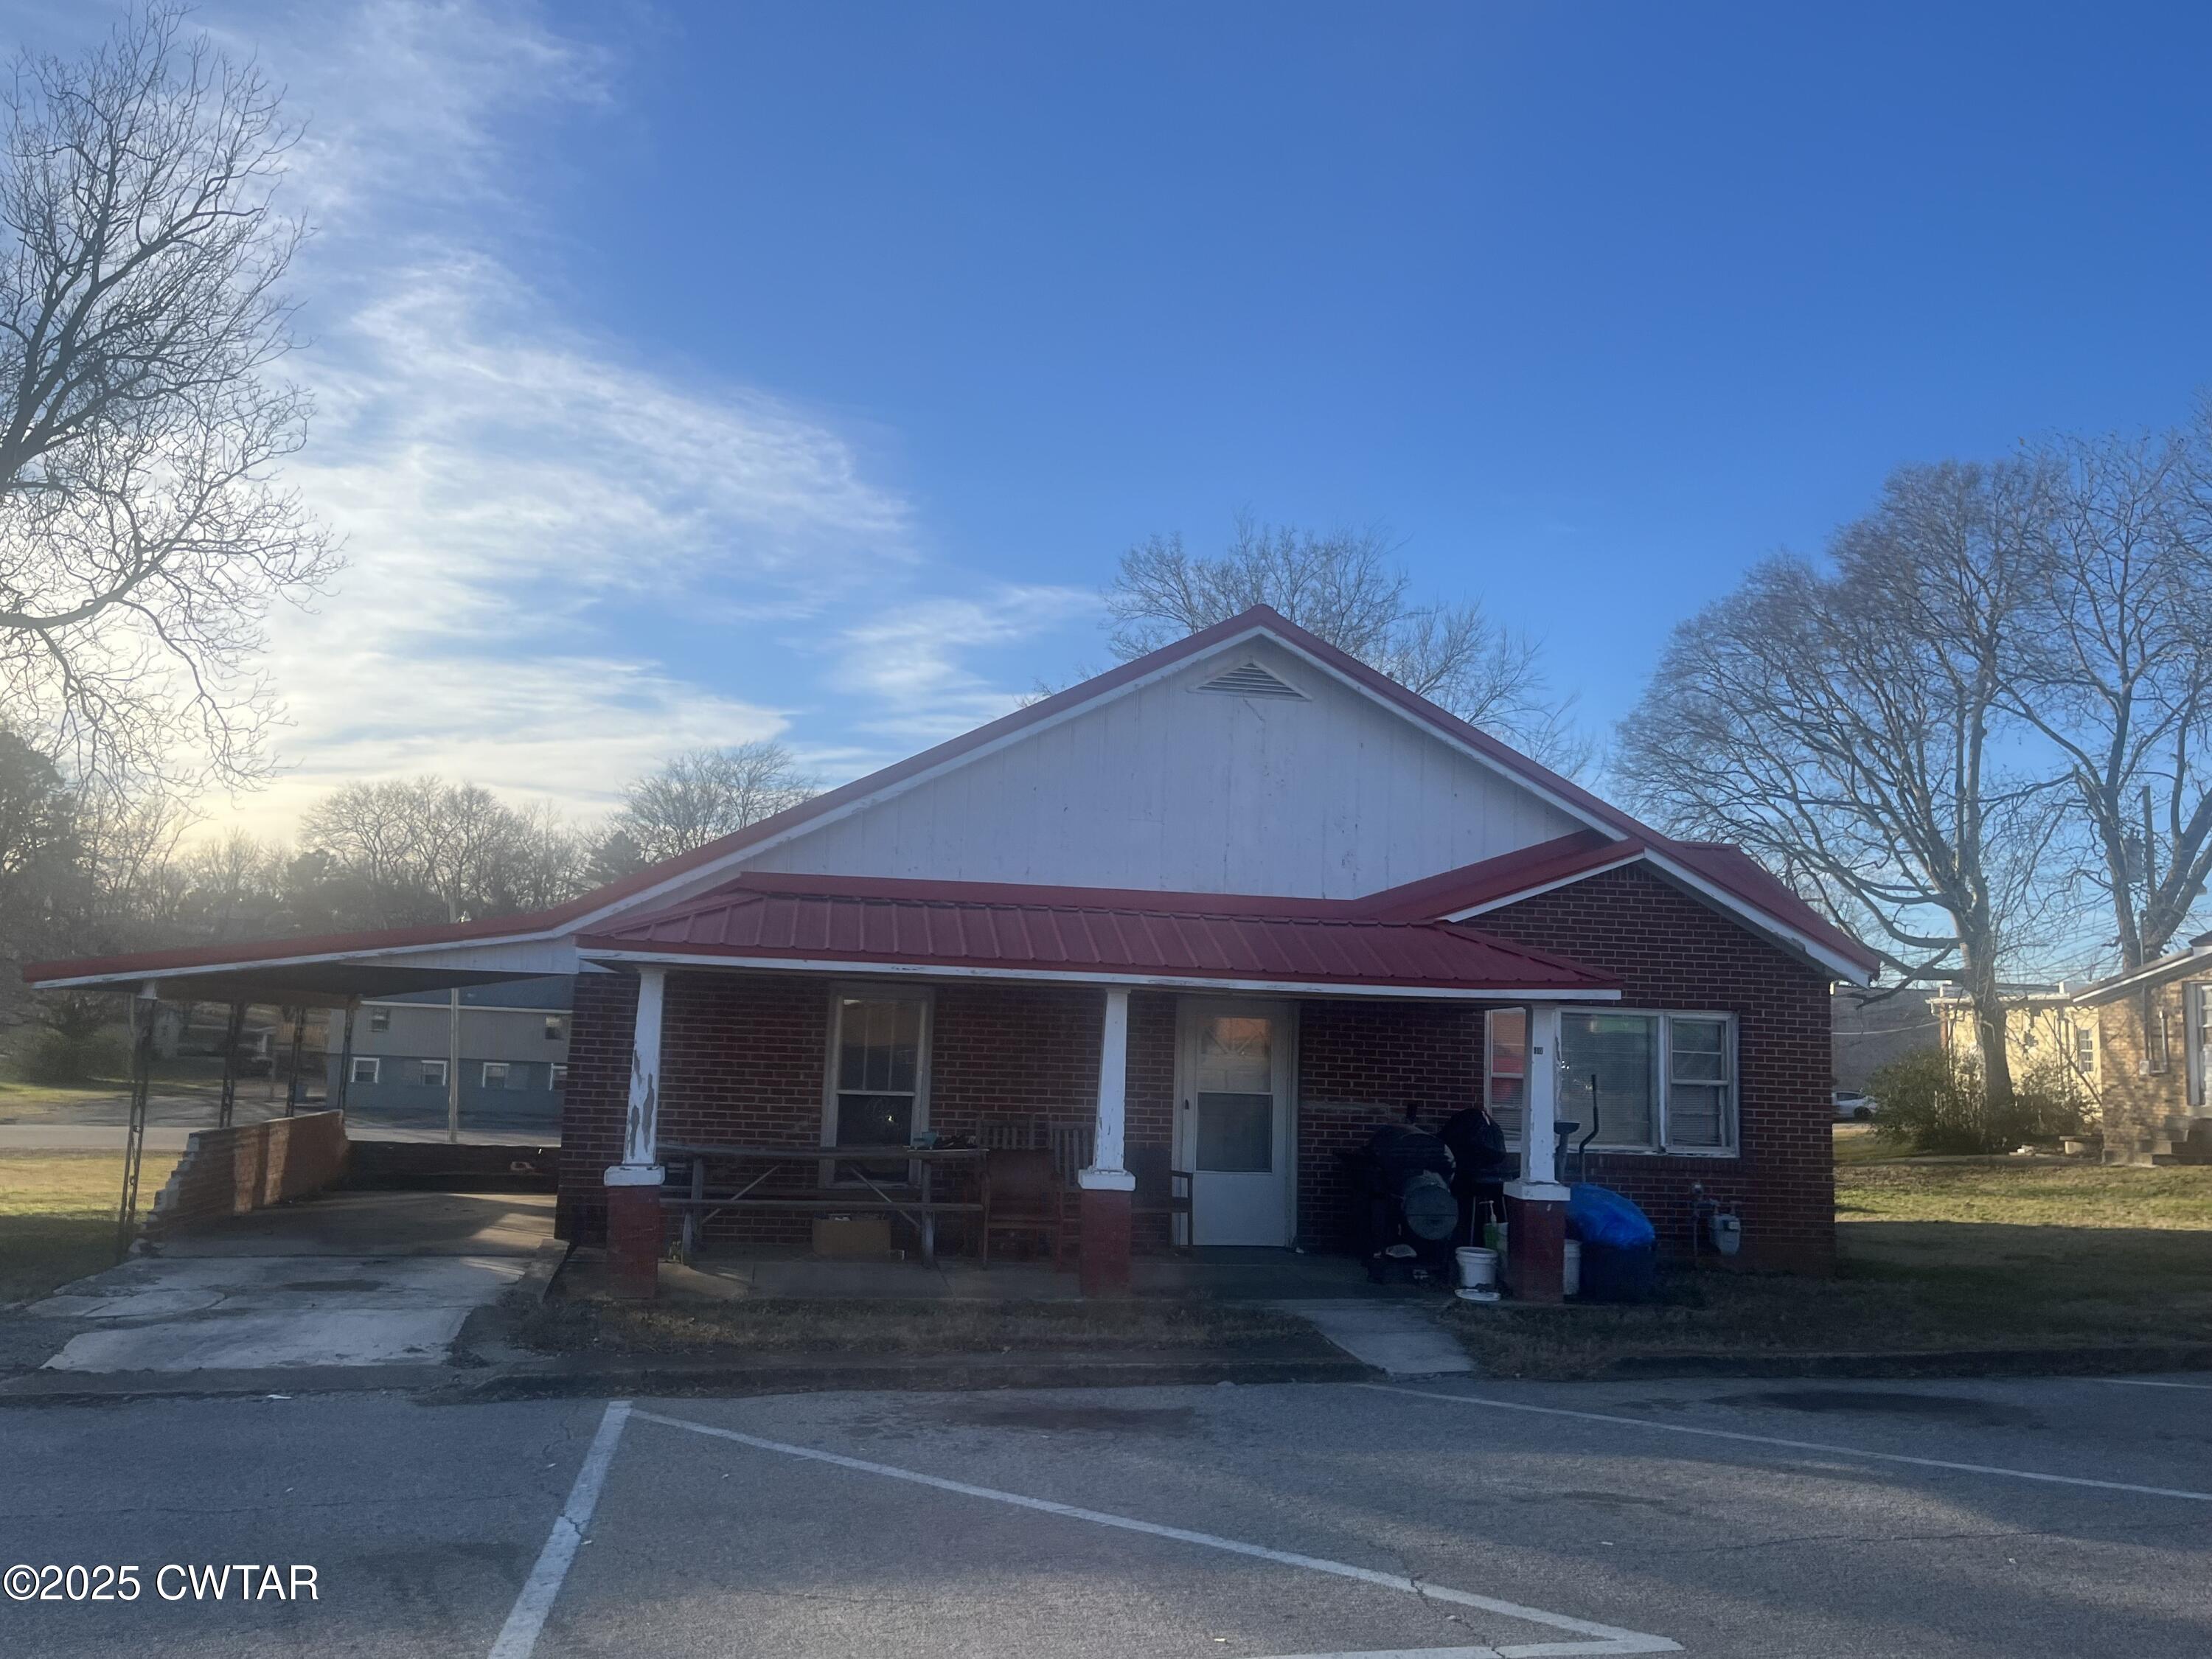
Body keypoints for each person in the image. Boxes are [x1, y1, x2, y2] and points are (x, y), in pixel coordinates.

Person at [1439, 1102, 1513, 1246]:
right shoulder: (1492, 1127)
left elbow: (1445, 1141)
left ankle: (1465, 1242)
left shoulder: (1464, 1123)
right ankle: (1497, 1242)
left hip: (1467, 1182)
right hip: (1497, 1181)